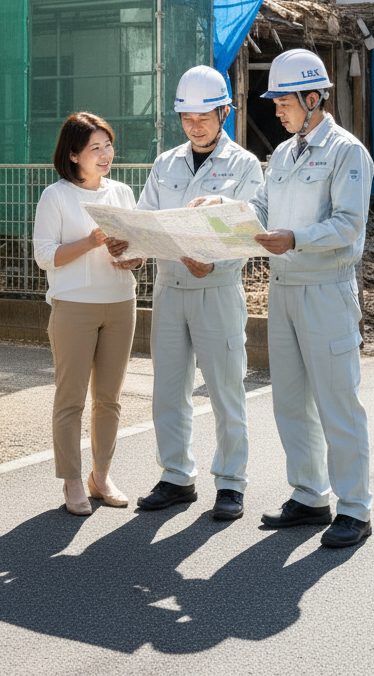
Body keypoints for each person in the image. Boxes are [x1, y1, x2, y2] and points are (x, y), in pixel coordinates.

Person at [193, 49, 374, 548]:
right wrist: (224, 206)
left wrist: (294, 238)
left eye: (283, 101)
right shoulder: (287, 154)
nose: (276, 109)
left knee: (337, 401)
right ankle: (311, 495)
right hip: (284, 290)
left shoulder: (346, 152)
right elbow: (261, 207)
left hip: (326, 290)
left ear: (313, 98)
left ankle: (355, 508)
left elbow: (348, 225)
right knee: (290, 400)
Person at [119, 66, 262, 521]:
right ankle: (176, 476)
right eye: (187, 117)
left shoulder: (243, 165)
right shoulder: (166, 163)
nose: (195, 125)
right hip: (168, 288)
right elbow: (145, 218)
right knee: (168, 389)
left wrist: (221, 217)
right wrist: (132, 249)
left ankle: (231, 483)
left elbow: (254, 221)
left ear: (224, 112)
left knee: (224, 389)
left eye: (204, 116)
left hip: (216, 288)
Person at [33, 112, 142, 515]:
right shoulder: (56, 196)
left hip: (120, 303)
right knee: (71, 399)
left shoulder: (122, 193)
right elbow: (44, 257)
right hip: (73, 306)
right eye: (94, 148)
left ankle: (101, 475)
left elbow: (138, 249)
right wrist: (92, 241)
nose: (104, 154)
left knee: (110, 399)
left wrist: (131, 259)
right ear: (74, 154)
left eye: (108, 145)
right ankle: (73, 481)